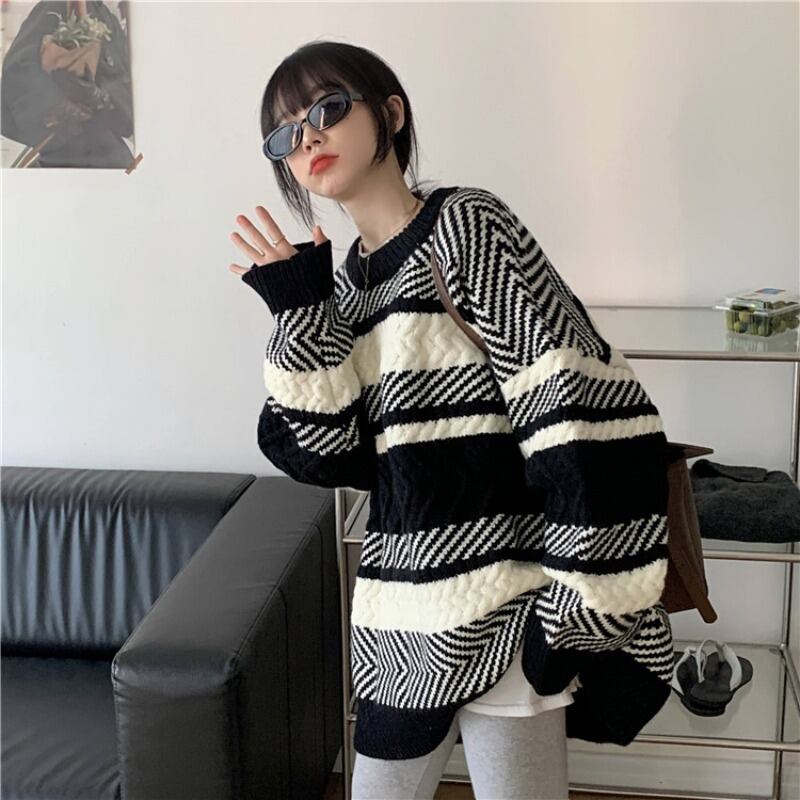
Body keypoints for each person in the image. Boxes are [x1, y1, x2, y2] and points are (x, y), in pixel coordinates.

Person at [229, 40, 673, 800]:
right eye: (284, 133)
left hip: (508, 605)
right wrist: (299, 310)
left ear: (391, 113)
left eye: (327, 108)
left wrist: (571, 617)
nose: (306, 138)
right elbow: (327, 455)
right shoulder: (350, 284)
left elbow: (577, 409)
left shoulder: (466, 227)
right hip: (402, 626)